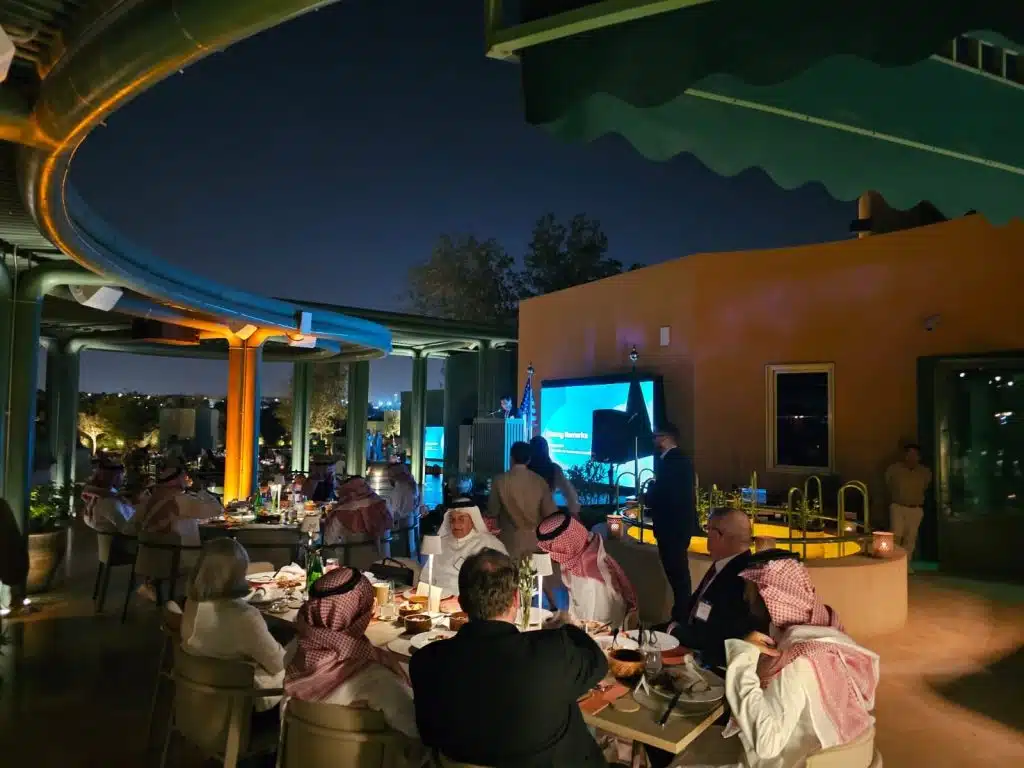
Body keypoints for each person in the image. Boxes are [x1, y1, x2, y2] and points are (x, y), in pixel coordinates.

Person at [410, 550, 608, 766]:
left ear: (462, 603)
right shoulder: (554, 653)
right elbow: (598, 663)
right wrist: (567, 629)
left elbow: (428, 735)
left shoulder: (424, 662)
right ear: (516, 599)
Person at [705, 556, 880, 768]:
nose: (746, 601)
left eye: (750, 597)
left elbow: (767, 743)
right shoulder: (829, 638)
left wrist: (742, 658)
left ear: (767, 605)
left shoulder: (795, 661)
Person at [284, 567, 420, 745]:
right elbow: (417, 730)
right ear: (360, 614)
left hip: (297, 751)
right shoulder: (379, 679)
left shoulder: (294, 649)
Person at [667, 509, 798, 674]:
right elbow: (696, 608)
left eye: (708, 530)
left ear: (718, 536)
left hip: (712, 665)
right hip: (694, 646)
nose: (707, 536)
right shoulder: (726, 566)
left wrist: (673, 631)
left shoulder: (743, 579)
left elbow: (723, 638)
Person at [180, 538, 286, 714]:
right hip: (241, 704)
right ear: (240, 573)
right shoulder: (246, 617)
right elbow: (278, 664)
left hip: (198, 696)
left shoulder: (192, 603)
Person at [536, 511, 636, 627]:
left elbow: (593, 626)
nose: (550, 554)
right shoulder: (580, 555)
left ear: (564, 547)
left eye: (551, 549)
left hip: (603, 632)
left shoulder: (591, 578)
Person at [646, 423, 697, 622]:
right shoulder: (680, 460)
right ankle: (681, 616)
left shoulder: (672, 461)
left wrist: (649, 493)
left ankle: (681, 618)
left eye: (656, 436)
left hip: (671, 529)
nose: (653, 440)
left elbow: (665, 495)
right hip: (677, 528)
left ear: (666, 438)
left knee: (678, 576)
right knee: (678, 576)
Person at [487, 441, 557, 559]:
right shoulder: (539, 481)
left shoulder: (499, 481)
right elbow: (550, 514)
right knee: (533, 570)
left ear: (511, 458)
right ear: (529, 460)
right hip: (535, 542)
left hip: (509, 542)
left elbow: (492, 511)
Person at [434, 499, 507, 594]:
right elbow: (427, 575)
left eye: (461, 519)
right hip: (437, 597)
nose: (456, 524)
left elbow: (500, 581)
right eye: (452, 520)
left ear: (472, 521)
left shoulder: (490, 543)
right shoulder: (441, 543)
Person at [885, 442, 931, 568]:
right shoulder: (894, 469)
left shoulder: (924, 472)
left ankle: (906, 565)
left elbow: (926, 486)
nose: (911, 457)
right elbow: (888, 484)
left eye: (914, 455)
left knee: (910, 538)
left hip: (915, 508)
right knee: (896, 535)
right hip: (898, 507)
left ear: (919, 457)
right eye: (909, 454)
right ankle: (893, 563)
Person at [528, 436, 581, 518]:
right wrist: (574, 513)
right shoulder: (554, 469)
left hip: (525, 514)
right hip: (546, 515)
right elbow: (569, 493)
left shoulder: (525, 468)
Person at [81, 459, 135, 534]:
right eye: (122, 474)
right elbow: (127, 528)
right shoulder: (108, 502)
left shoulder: (98, 496)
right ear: (115, 476)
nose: (123, 478)